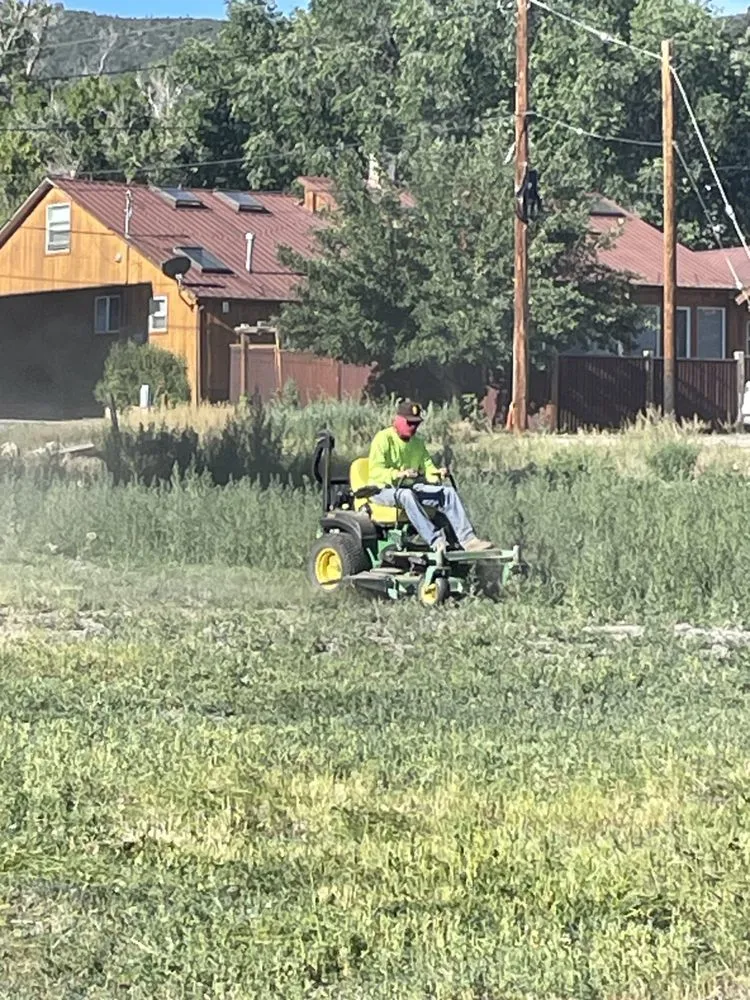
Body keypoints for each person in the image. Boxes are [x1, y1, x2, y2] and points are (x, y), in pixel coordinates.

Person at [367, 399, 494, 553]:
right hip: (381, 490)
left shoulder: (418, 443)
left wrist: (437, 473)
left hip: (409, 486)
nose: (413, 427)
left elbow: (428, 468)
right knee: (406, 495)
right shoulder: (383, 439)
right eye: (410, 423)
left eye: (416, 423)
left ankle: (468, 540)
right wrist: (399, 473)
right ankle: (435, 541)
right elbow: (376, 471)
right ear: (398, 420)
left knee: (447, 493)